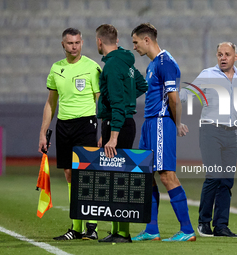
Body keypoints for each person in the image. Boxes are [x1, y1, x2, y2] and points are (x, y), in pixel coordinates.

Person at [180, 42, 237, 237]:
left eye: (227, 54)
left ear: (235, 57)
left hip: (231, 133)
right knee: (214, 176)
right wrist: (169, 95)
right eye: (220, 54)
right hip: (210, 130)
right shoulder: (207, 75)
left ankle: (221, 226)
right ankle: (203, 223)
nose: (223, 57)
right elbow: (186, 94)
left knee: (226, 181)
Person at [131, 23, 196, 242]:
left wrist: (177, 124)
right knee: (146, 175)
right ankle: (151, 230)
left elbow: (174, 98)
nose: (135, 47)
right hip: (149, 124)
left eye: (136, 42)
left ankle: (187, 230)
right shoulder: (152, 65)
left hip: (161, 123)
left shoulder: (166, 63)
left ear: (147, 40)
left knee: (167, 175)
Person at [38, 28, 102, 241]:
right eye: (70, 43)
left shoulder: (92, 67)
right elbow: (50, 103)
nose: (74, 46)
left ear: (82, 43)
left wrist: (104, 129)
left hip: (86, 123)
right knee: (69, 174)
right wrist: (42, 133)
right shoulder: (56, 68)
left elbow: (100, 99)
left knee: (88, 174)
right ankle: (75, 227)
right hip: (64, 125)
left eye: (77, 42)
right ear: (63, 45)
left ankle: (91, 226)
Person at [95, 24, 148, 243]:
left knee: (118, 180)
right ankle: (118, 230)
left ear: (99, 42)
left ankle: (123, 233)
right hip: (121, 123)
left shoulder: (112, 66)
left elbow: (117, 103)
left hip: (118, 125)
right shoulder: (125, 62)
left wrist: (113, 135)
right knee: (117, 178)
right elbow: (141, 85)